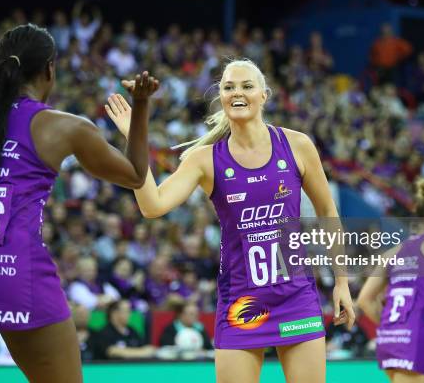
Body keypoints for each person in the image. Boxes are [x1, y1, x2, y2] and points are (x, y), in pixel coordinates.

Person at [0, 23, 158, 383]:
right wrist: (139, 106)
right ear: (49, 69)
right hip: (19, 281)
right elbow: (137, 175)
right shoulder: (65, 126)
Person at [106, 58, 355, 383]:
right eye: (228, 87)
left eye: (247, 86)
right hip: (241, 303)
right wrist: (135, 135)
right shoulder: (205, 158)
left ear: (264, 95)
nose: (237, 92)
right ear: (220, 97)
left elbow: (327, 211)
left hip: (296, 297)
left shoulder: (296, 145)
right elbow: (152, 206)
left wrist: (341, 282)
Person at [357, 178, 424, 382]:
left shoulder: (391, 252)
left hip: (388, 339)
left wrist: (391, 327)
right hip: (415, 338)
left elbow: (364, 299)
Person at [90, 300, 155, 360]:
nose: (129, 314)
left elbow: (147, 348)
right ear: (114, 313)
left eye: (129, 311)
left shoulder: (132, 331)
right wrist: (141, 353)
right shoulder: (104, 333)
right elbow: (113, 352)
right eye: (126, 311)